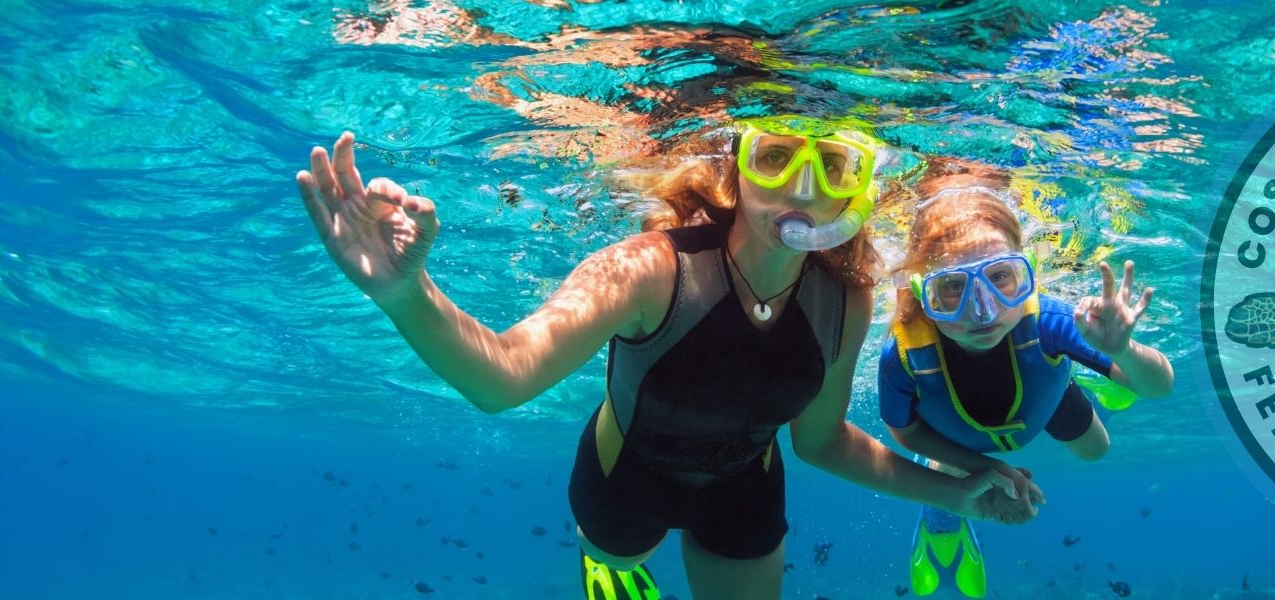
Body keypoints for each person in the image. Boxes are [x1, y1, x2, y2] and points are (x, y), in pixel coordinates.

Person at [291, 116, 1034, 600]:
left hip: (746, 492)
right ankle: (609, 568)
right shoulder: (650, 270)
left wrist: (954, 492)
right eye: (775, 158)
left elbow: (820, 441)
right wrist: (404, 293)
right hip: (624, 483)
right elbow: (503, 375)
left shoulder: (846, 299)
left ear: (858, 192)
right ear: (736, 173)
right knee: (617, 560)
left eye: (834, 167)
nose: (802, 188)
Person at [877, 160, 1175, 598]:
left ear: (1028, 273)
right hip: (955, 437)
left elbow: (1159, 387)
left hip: (1044, 395)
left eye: (1001, 279)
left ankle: (1096, 372)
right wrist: (988, 469)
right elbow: (903, 432)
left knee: (1096, 451)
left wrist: (1122, 351)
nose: (983, 311)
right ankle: (943, 511)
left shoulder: (1051, 321)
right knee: (956, 462)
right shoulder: (903, 354)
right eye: (953, 288)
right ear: (923, 293)